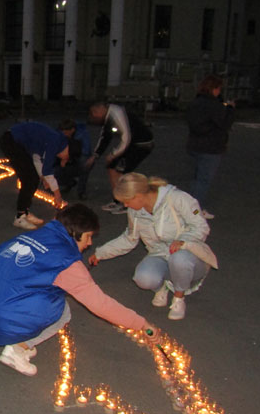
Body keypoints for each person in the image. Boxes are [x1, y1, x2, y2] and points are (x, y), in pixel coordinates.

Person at [0, 204, 161, 376]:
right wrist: (142, 324)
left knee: (41, 292)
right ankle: (17, 349)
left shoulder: (30, 236)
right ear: (76, 234)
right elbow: (101, 305)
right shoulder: (67, 263)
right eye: (89, 237)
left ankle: (21, 337)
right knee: (62, 311)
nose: (90, 243)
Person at [88, 173, 214, 321]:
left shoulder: (179, 199)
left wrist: (183, 241)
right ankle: (163, 286)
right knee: (143, 278)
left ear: (139, 195)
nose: (125, 206)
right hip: (160, 254)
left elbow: (201, 227)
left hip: (189, 255)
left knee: (179, 258)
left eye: (127, 201)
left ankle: (179, 298)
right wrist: (101, 253)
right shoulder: (135, 211)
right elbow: (129, 239)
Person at [85, 102, 154, 214]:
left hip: (142, 144)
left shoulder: (117, 114)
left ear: (100, 109)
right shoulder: (108, 117)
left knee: (121, 171)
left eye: (94, 113)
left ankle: (126, 202)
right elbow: (105, 137)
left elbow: (126, 138)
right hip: (132, 144)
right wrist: (95, 155)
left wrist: (113, 154)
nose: (95, 116)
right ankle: (117, 200)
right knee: (111, 167)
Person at [0, 121, 70, 230]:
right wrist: (57, 195)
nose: (62, 160)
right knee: (28, 180)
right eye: (64, 159)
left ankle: (25, 211)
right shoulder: (55, 141)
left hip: (14, 142)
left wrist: (42, 177)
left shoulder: (56, 140)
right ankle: (20, 217)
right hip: (11, 141)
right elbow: (47, 169)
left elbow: (37, 158)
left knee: (33, 179)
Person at [185, 74, 235, 220]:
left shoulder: (195, 103)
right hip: (211, 147)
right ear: (214, 89)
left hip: (195, 145)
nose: (219, 91)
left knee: (197, 179)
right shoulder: (214, 105)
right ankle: (195, 212)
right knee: (204, 180)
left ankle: (190, 209)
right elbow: (225, 124)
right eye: (218, 88)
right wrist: (231, 110)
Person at [54, 118, 93, 200]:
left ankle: (81, 191)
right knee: (54, 171)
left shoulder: (82, 134)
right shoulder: (58, 134)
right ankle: (69, 182)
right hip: (64, 157)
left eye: (66, 132)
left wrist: (69, 157)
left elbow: (86, 151)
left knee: (85, 164)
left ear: (72, 130)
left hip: (77, 157)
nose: (64, 134)